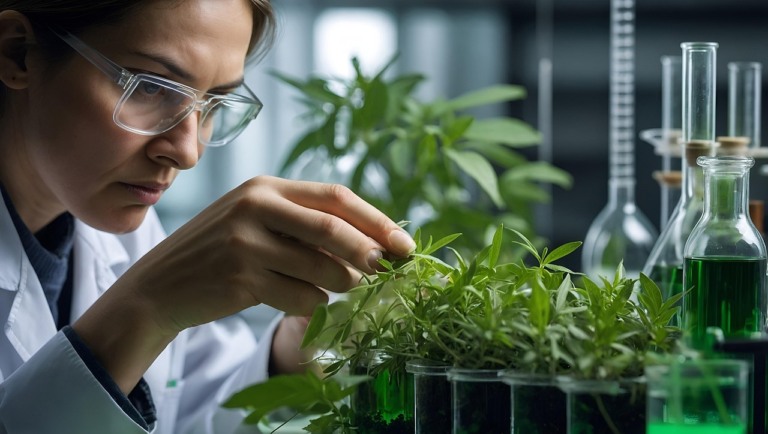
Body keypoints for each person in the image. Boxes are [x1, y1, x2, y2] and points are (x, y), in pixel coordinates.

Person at [0, 1, 416, 433]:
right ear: (17, 53)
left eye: (214, 104)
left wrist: (291, 352)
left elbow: (194, 412)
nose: (188, 152)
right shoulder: (123, 228)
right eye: (150, 88)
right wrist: (146, 307)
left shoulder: (126, 237)